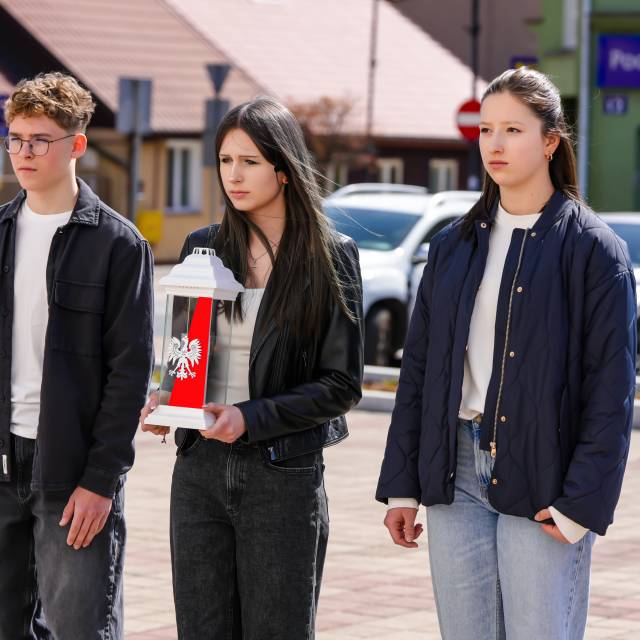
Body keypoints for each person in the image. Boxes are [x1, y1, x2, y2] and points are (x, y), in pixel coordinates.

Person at [376, 67, 636, 639]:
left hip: (546, 474)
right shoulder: (453, 246)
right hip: (456, 473)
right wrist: (403, 484)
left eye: (513, 130)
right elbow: (419, 370)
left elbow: (611, 391)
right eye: (487, 129)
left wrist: (581, 505)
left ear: (550, 142)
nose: (495, 143)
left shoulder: (594, 250)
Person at [141, 96, 363, 640]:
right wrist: (168, 398)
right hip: (199, 472)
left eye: (249, 161)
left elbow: (341, 384)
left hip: (282, 474)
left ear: (283, 169)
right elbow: (185, 352)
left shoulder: (330, 255)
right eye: (225, 161)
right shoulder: (202, 247)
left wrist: (249, 417)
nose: (233, 176)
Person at [0, 72, 154, 639]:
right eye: (15, 138)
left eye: (40, 140)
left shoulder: (118, 244)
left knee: (80, 629)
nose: (24, 152)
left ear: (77, 145)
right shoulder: (0, 233)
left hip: (72, 473)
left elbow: (129, 373)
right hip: (2, 462)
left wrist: (101, 480)